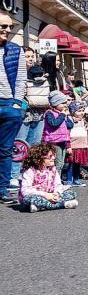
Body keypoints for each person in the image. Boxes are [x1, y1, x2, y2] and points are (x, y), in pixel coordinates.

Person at [0, 12, 29, 203]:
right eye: (3, 26)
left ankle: (2, 190)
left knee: (5, 150)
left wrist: (17, 103)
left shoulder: (15, 49)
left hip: (8, 105)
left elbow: (20, 78)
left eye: (10, 26)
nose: (8, 30)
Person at [10, 47, 47, 190]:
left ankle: (30, 174)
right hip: (23, 114)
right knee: (19, 145)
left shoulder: (39, 72)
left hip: (39, 113)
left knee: (34, 145)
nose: (30, 59)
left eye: (32, 56)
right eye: (27, 56)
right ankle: (14, 175)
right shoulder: (16, 73)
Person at [17, 143, 77, 212]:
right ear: (39, 158)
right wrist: (45, 195)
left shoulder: (53, 169)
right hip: (38, 196)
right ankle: (62, 205)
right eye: (50, 156)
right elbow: (25, 191)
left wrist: (56, 193)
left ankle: (40, 206)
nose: (53, 158)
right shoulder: (30, 171)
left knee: (72, 193)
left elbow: (58, 185)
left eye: (54, 155)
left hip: (50, 195)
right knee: (29, 199)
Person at [42, 90, 73, 176]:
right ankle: (55, 182)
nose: (65, 105)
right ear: (55, 104)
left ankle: (57, 181)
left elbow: (70, 125)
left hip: (63, 141)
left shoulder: (62, 114)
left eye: (65, 103)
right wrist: (62, 116)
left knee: (61, 163)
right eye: (62, 103)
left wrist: (66, 115)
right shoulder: (49, 113)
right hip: (54, 142)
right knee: (57, 163)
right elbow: (54, 123)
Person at [64, 101, 88, 187]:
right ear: (72, 111)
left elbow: (86, 134)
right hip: (73, 146)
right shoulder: (69, 121)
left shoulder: (83, 121)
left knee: (78, 164)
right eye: (79, 111)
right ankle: (68, 179)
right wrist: (68, 146)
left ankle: (76, 179)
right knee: (70, 164)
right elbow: (66, 134)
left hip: (81, 146)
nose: (81, 113)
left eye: (82, 110)